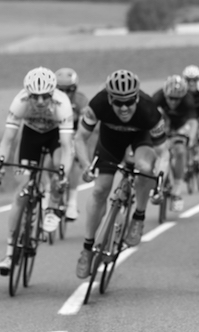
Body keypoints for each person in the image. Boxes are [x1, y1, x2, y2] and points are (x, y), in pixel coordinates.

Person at [74, 69, 167, 279]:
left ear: (137, 96)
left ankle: (138, 217)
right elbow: (80, 138)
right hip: (110, 142)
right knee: (99, 190)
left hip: (140, 139)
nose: (124, 107)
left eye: (129, 101)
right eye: (118, 102)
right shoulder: (98, 104)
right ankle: (87, 249)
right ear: (109, 98)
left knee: (144, 168)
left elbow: (164, 152)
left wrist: (160, 178)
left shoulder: (149, 109)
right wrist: (86, 165)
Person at [0, 67, 75, 276]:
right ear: (27, 93)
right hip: (31, 135)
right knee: (22, 192)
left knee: (57, 167)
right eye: (34, 97)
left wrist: (63, 174)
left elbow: (67, 147)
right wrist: (0, 165)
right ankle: (10, 253)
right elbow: (7, 140)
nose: (39, 102)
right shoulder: (19, 102)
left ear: (52, 93)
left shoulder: (62, 103)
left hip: (55, 135)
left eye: (44, 96)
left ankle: (53, 207)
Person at [151, 75, 199, 212]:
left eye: (177, 99)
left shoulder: (188, 100)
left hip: (180, 126)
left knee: (180, 151)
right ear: (165, 94)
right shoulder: (158, 97)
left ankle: (177, 189)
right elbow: (147, 116)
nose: (173, 102)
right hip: (163, 124)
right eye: (170, 98)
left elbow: (193, 122)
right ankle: (159, 182)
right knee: (156, 150)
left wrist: (191, 138)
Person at [54, 67, 89, 221]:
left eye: (70, 90)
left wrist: (75, 138)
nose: (66, 94)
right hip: (55, 133)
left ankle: (72, 203)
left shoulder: (81, 101)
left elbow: (84, 127)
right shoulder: (52, 100)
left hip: (73, 133)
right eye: (61, 90)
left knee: (73, 161)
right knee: (51, 161)